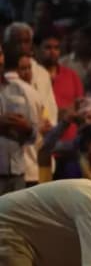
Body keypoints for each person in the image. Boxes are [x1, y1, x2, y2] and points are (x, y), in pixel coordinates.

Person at [0, 43, 37, 195]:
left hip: (17, 174)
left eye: (0, 54)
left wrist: (26, 127)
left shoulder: (19, 89)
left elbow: (34, 134)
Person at [3, 24, 56, 127]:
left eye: (26, 41)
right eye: (17, 42)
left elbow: (50, 107)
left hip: (39, 136)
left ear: (31, 44)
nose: (22, 46)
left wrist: (47, 128)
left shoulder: (42, 73)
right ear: (6, 44)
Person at [37, 29, 83, 141]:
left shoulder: (71, 75)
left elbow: (80, 104)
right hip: (44, 139)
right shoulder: (33, 75)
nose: (52, 51)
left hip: (69, 139)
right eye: (48, 48)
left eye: (56, 48)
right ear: (38, 49)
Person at [61, 25, 91, 90]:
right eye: (74, 40)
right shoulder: (64, 62)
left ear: (90, 41)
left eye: (80, 39)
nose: (75, 43)